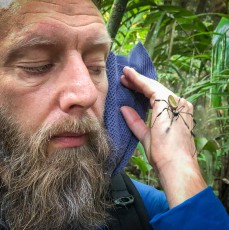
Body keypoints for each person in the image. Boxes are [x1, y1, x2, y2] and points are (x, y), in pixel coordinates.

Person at [0, 0, 228, 229]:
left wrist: (178, 164)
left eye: (96, 67)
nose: (87, 93)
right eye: (37, 65)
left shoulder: (136, 207)